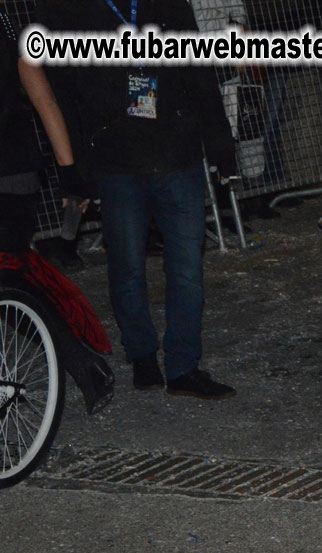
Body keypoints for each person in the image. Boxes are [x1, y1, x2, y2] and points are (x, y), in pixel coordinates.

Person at [37, 0, 238, 400]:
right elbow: (64, 93)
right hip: (116, 162)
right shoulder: (70, 11)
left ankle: (183, 367)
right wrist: (74, 173)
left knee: (186, 268)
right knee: (126, 265)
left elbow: (197, 67)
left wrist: (220, 145)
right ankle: (143, 355)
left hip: (177, 152)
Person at [1, 8, 113, 414]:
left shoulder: (9, 28)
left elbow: (43, 97)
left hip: (9, 175)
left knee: (8, 281)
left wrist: (70, 174)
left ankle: (83, 365)